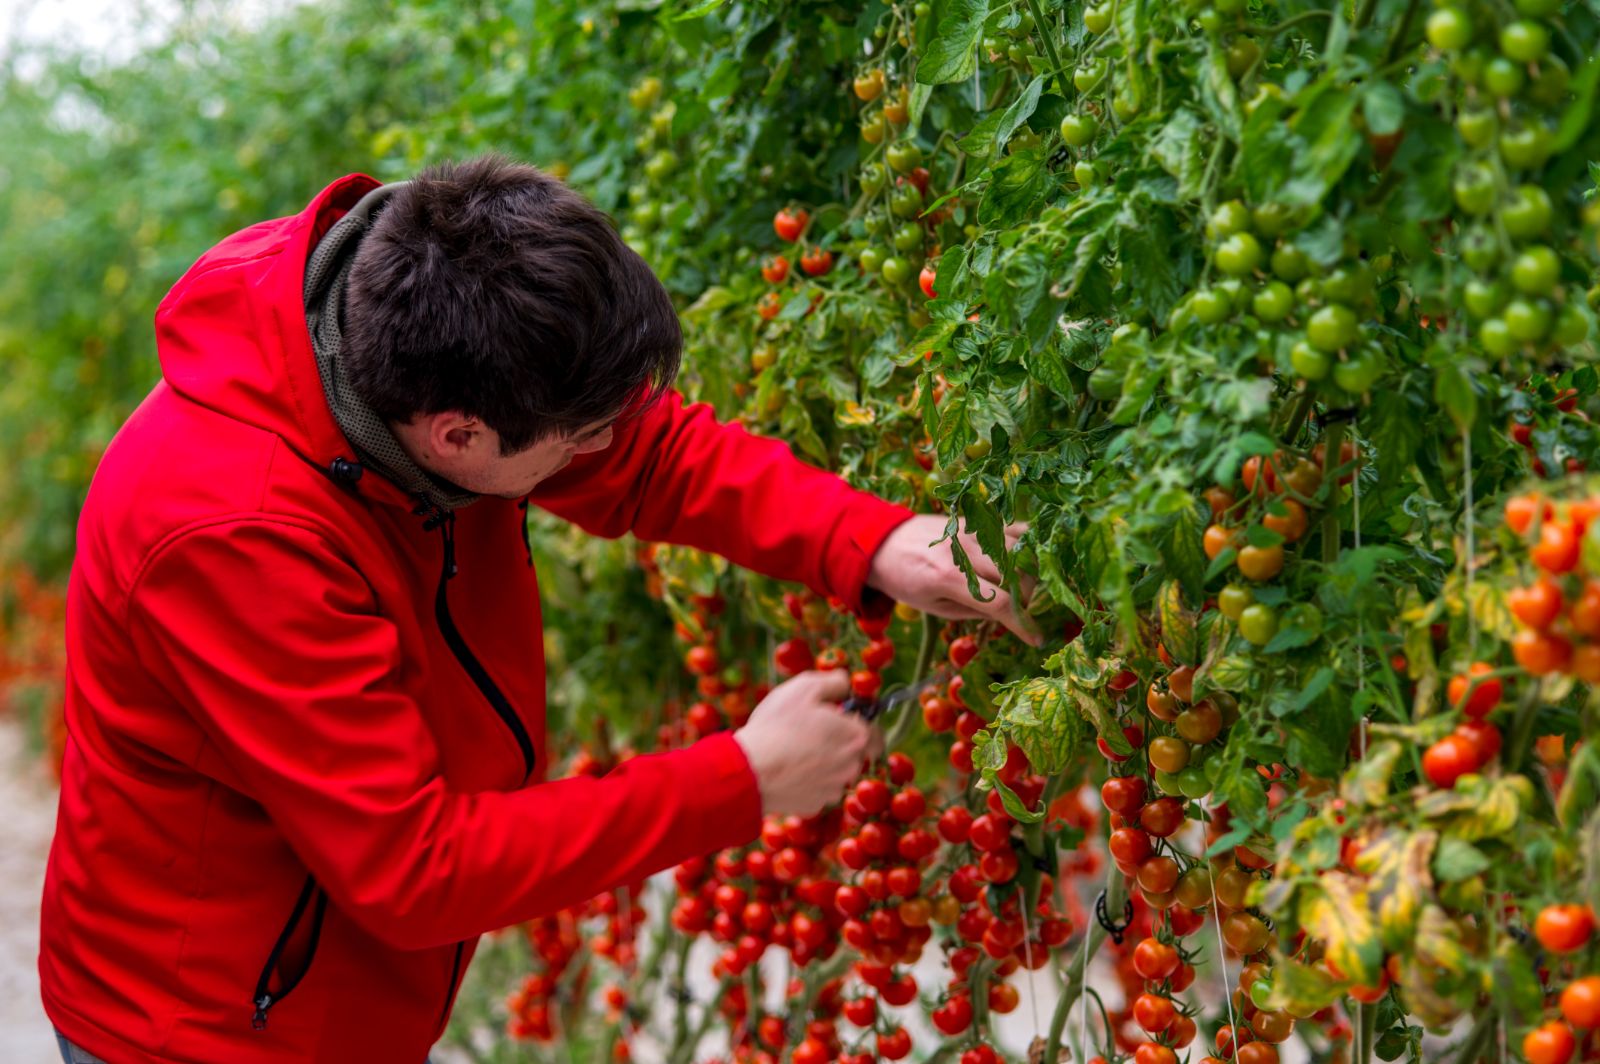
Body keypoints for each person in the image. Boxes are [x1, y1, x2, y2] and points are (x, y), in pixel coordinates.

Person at [40, 155, 1037, 1064]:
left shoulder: (425, 310)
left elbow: (643, 451)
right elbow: (413, 867)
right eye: (581, 435)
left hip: (339, 996)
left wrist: (870, 540)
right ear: (458, 437)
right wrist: (742, 778)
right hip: (206, 1029)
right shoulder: (231, 534)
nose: (605, 448)